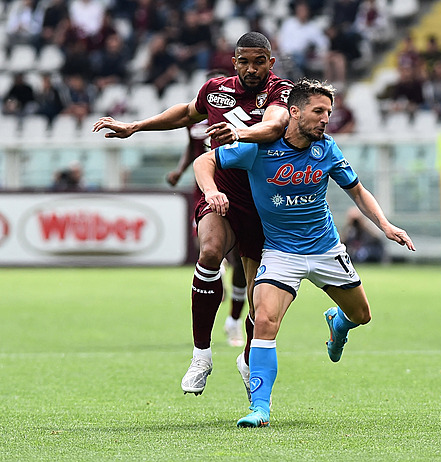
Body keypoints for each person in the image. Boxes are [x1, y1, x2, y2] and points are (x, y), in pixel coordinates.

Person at [193, 78, 416, 428]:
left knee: (362, 315)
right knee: (265, 323)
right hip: (281, 253)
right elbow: (205, 162)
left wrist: (385, 225)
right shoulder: (258, 147)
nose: (326, 118)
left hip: (326, 249)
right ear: (294, 112)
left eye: (328, 112)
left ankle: (338, 323)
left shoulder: (327, 149)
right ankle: (259, 408)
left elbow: (357, 191)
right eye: (318, 111)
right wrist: (210, 192)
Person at [93, 32, 293, 399]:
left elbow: (276, 125)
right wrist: (135, 126)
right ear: (234, 62)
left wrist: (240, 132)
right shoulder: (216, 89)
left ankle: (249, 359)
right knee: (210, 251)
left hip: (267, 201)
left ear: (270, 62)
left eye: (259, 61)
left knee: (259, 299)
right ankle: (201, 355)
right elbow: (186, 113)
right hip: (221, 190)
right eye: (244, 61)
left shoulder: (282, 92)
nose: (251, 69)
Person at [166, 109, 247, 348]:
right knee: (205, 247)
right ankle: (216, 272)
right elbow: (192, 149)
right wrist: (180, 171)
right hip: (205, 192)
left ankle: (234, 320)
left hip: (238, 192)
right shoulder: (195, 124)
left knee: (241, 262)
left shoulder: (242, 120)